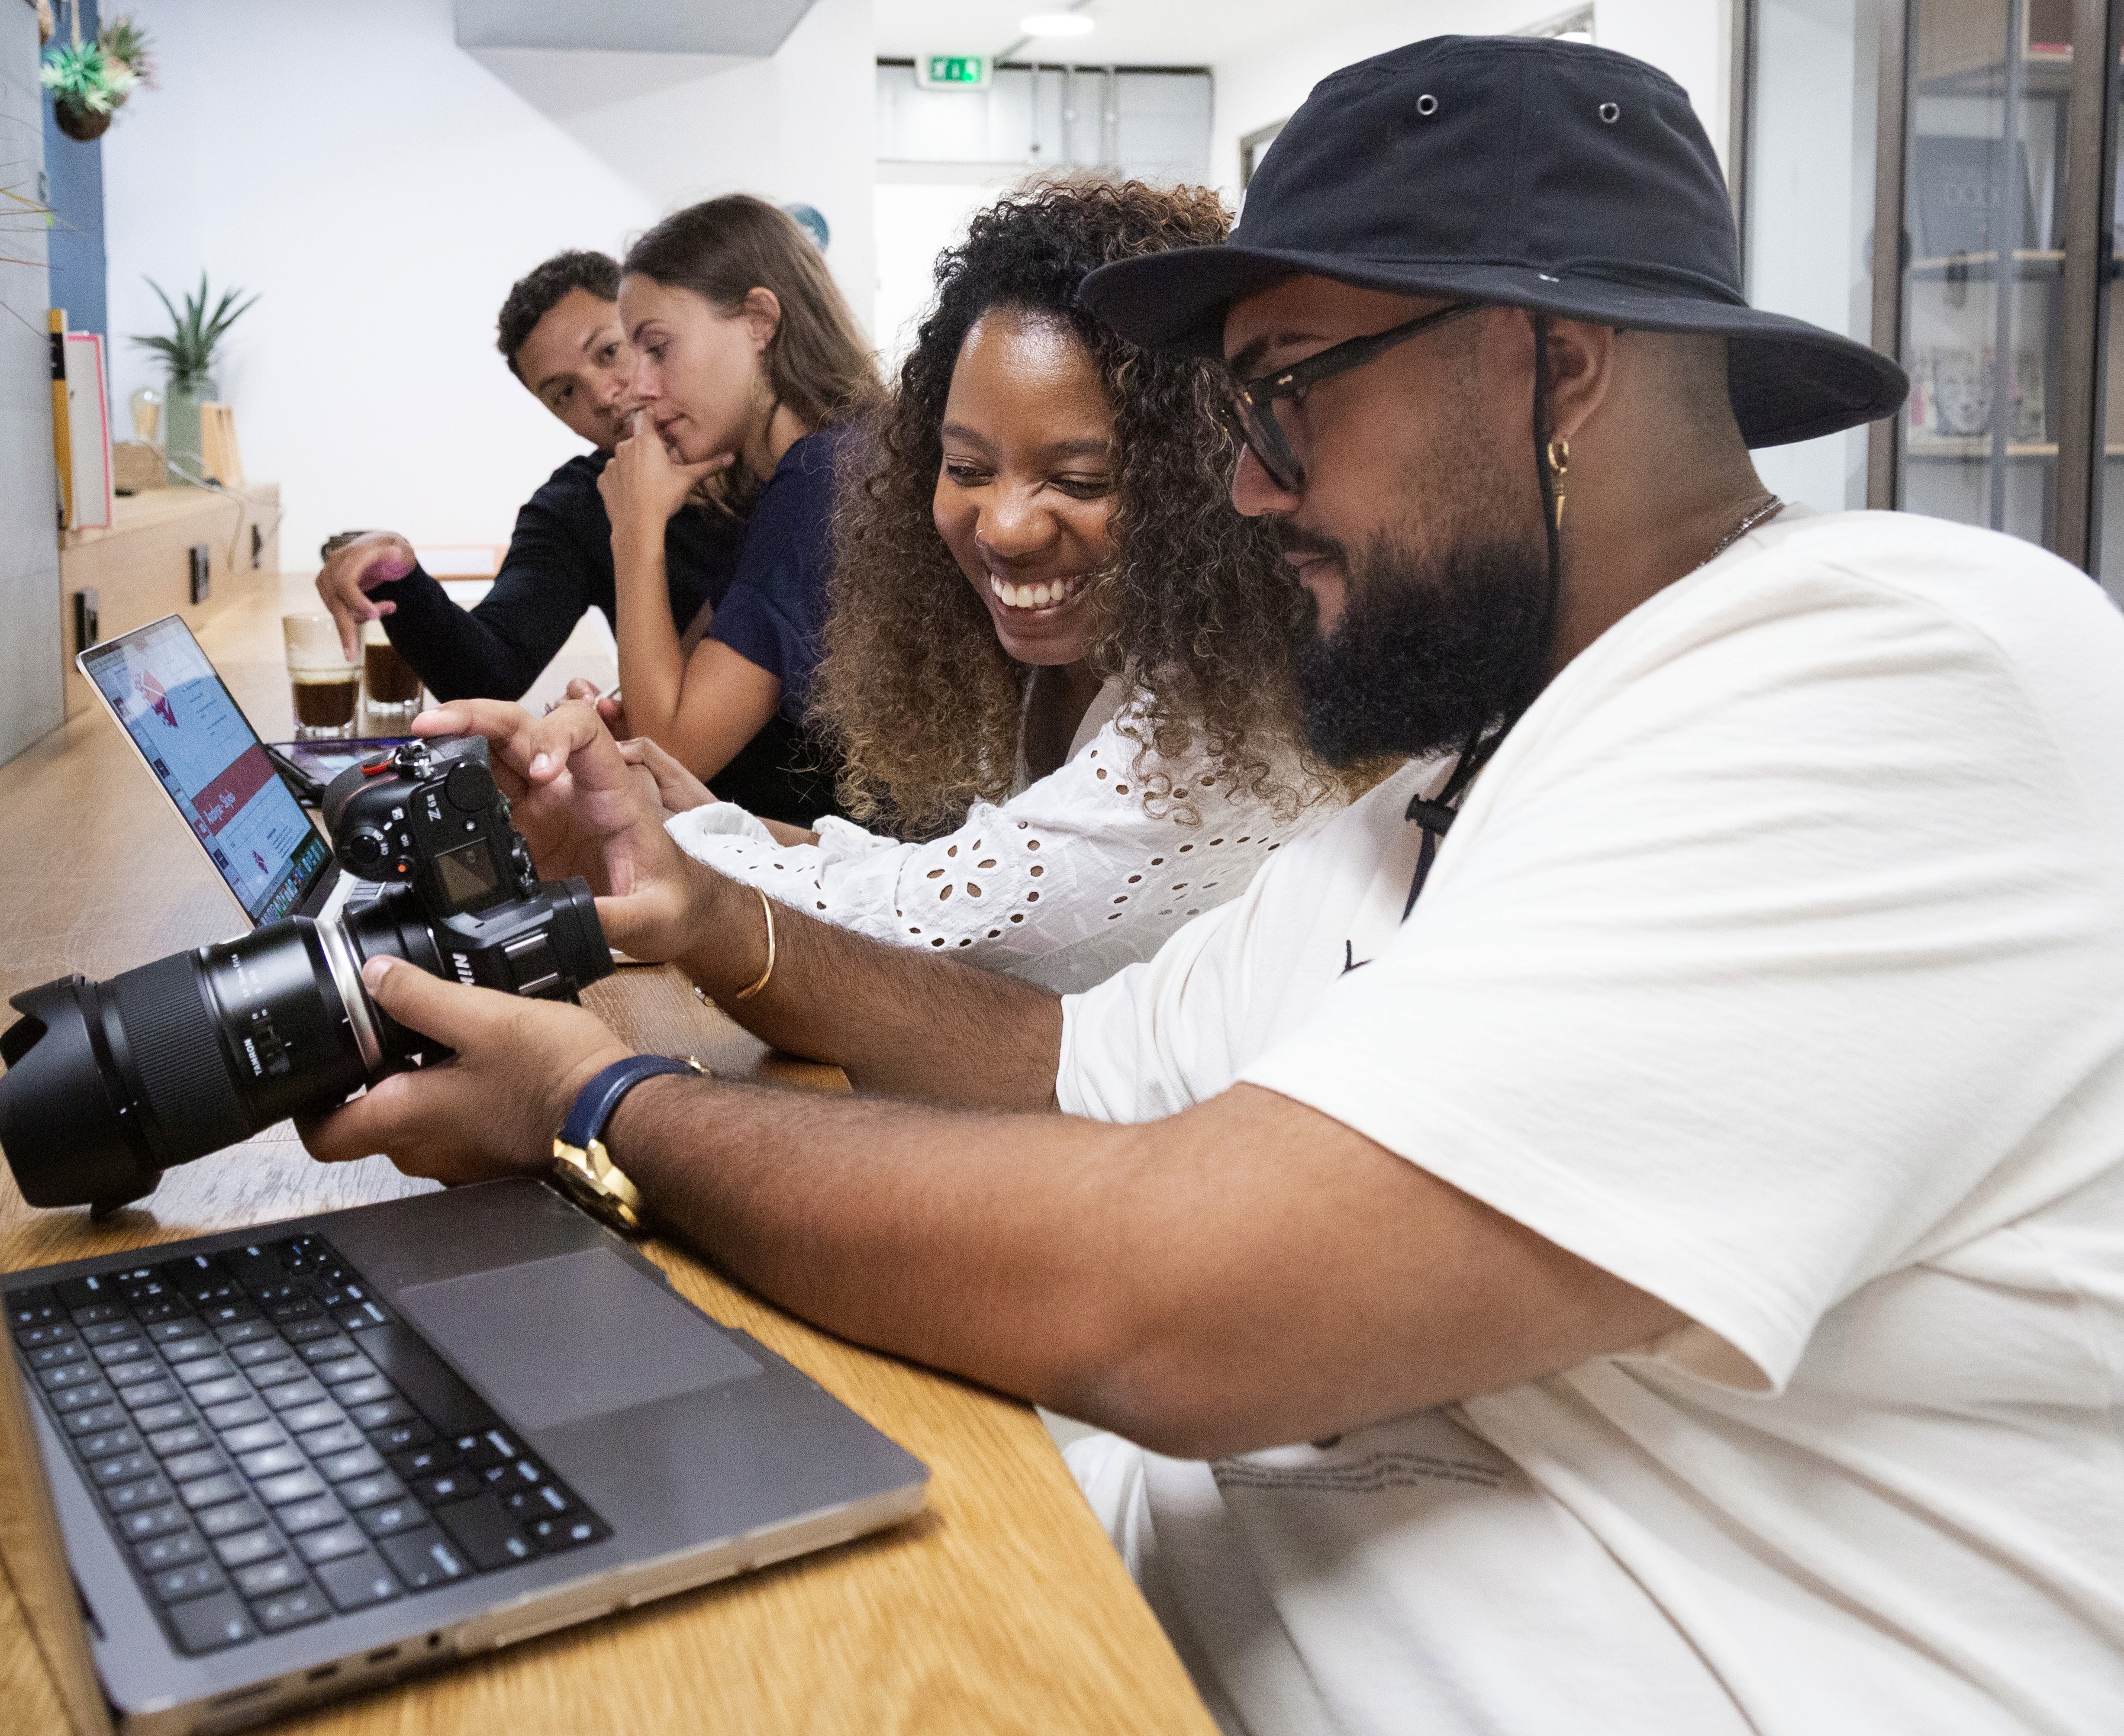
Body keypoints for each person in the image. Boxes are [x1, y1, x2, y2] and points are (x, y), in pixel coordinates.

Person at [302, 38, 2124, 1736]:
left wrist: (598, 1103)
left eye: (1283, 403)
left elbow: (1173, 1298)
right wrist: (725, 925)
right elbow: (1075, 1061)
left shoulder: (1902, 671)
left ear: (1549, 367)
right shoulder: (1464, 764)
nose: (1242, 494)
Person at [646, 180, 1338, 992]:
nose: (1004, 527)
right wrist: (693, 819)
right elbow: (962, 871)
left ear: (1213, 487)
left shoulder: (1217, 729)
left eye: (1080, 480)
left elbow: (939, 919)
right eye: (968, 468)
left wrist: (666, 841)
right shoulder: (1065, 660)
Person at [308, 253, 819, 822]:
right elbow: (487, 672)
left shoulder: (792, 466)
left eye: (610, 352)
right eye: (563, 394)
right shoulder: (578, 505)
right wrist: (402, 577)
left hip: (849, 845)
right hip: (711, 827)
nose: (602, 394)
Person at [585, 194, 880, 819]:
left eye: (657, 347)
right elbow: (666, 699)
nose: (637, 387)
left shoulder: (820, 484)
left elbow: (671, 750)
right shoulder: (797, 478)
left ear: (759, 320)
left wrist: (635, 530)